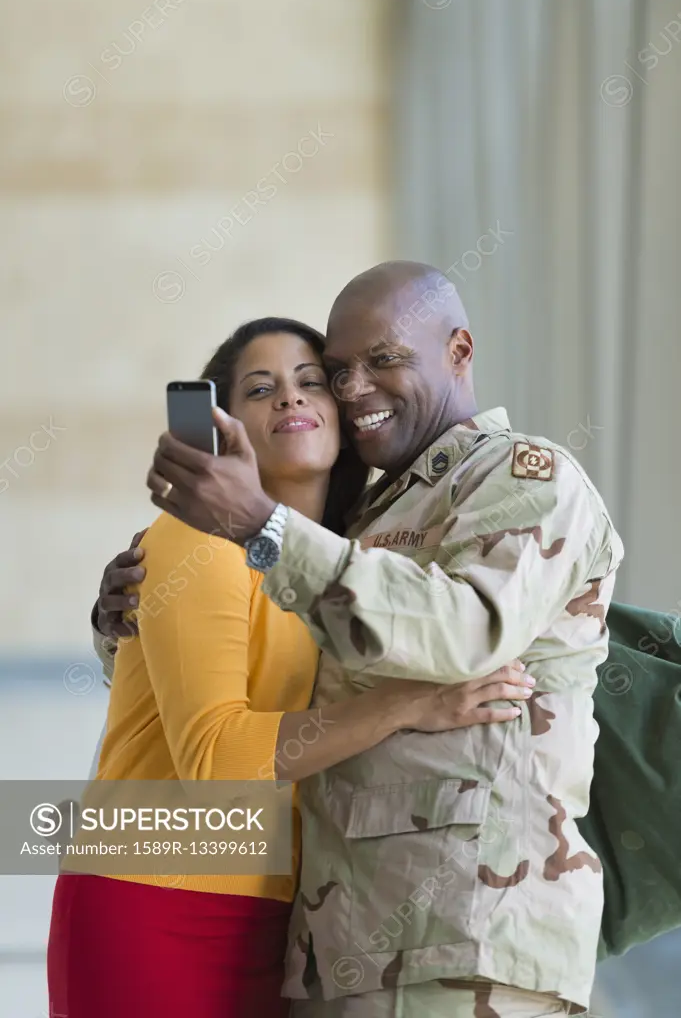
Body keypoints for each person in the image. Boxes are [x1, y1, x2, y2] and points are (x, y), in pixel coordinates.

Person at [142, 261, 624, 1017]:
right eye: (339, 371)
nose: (353, 388)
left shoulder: (525, 478)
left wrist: (264, 528)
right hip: (340, 948)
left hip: (466, 942)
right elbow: (268, 676)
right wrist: (129, 626)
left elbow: (466, 631)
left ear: (458, 351)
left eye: (384, 360)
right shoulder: (362, 520)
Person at [49, 316, 532, 1018]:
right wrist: (405, 704)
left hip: (283, 913)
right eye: (260, 388)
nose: (290, 399)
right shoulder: (199, 538)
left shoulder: (347, 561)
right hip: (154, 896)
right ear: (223, 426)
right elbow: (214, 760)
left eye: (311, 382)